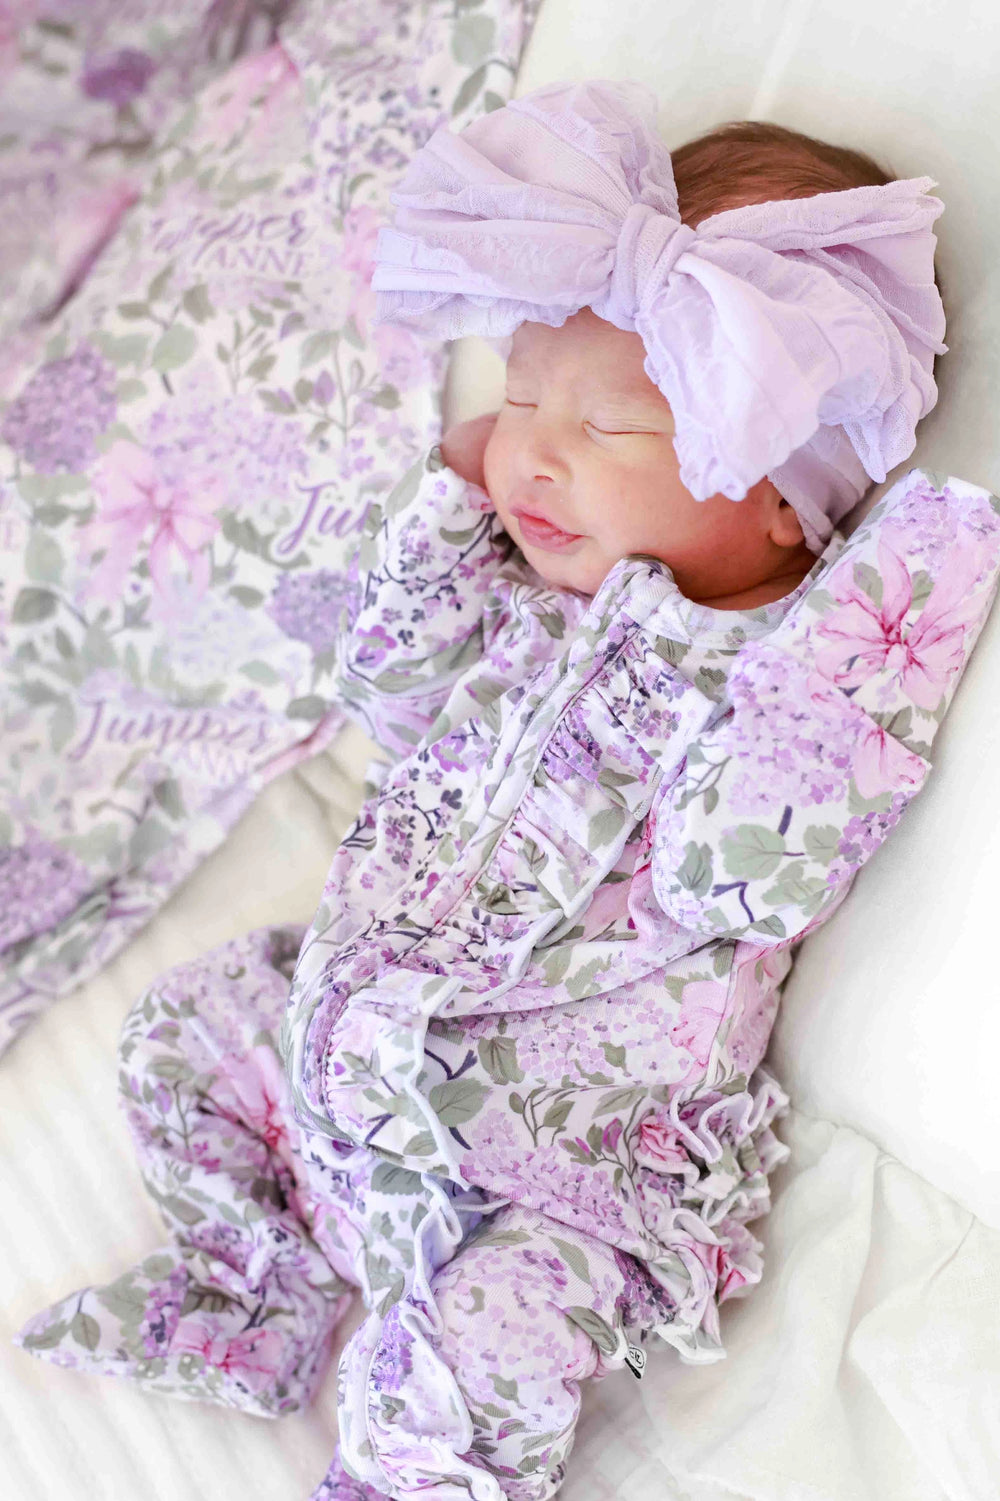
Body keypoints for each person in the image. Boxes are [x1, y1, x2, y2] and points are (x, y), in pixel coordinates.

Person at [17, 80, 1000, 1501]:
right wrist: (447, 503)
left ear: (790, 492)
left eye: (610, 430)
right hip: (355, 1057)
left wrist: (879, 621)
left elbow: (752, 873)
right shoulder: (521, 593)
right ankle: (269, 1282)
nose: (533, 448)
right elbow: (393, 692)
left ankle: (408, 1476)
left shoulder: (786, 678)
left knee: (489, 1342)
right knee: (191, 1027)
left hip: (546, 1171)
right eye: (525, 393)